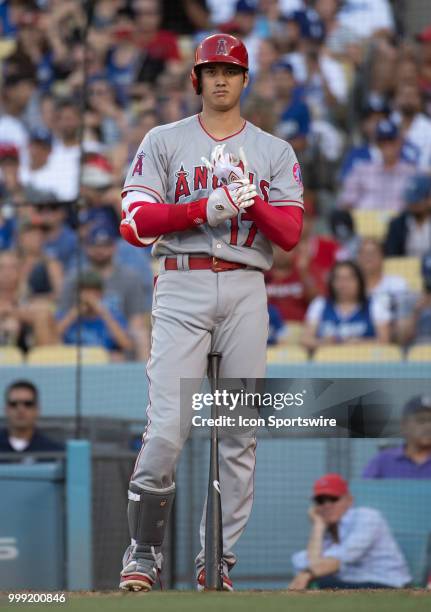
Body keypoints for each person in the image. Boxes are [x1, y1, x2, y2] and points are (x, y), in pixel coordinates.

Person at [118, 33, 304, 592]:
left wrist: (254, 202)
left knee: (240, 432)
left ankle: (216, 562)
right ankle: (144, 552)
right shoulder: (164, 139)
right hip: (183, 284)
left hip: (247, 287)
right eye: (211, 70)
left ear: (246, 80)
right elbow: (133, 223)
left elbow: (291, 234)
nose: (221, 79)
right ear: (196, 79)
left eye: (231, 70)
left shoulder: (274, 150)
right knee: (168, 428)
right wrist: (206, 206)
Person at [289, 473, 411, 590]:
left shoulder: (368, 517)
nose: (327, 505)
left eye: (333, 498)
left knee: (320, 583)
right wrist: (318, 525)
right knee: (319, 581)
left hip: (387, 584)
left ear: (349, 500)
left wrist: (309, 573)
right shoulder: (328, 527)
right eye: (320, 501)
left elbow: (341, 559)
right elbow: (308, 563)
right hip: (354, 583)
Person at [59, 224, 151, 360]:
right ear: (86, 248)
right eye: (95, 246)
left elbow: (135, 322)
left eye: (105, 245)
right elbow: (61, 315)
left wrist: (102, 311)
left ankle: (143, 378)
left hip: (114, 341)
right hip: (76, 338)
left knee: (139, 336)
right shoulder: (74, 277)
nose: (100, 251)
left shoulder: (130, 278)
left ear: (114, 247)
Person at [301, 260, 390, 352]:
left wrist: (359, 343)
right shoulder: (319, 304)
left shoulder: (374, 305)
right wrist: (325, 343)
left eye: (349, 279)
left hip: (364, 362)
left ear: (359, 281)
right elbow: (306, 340)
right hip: (328, 362)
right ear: (332, 282)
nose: (343, 284)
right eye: (338, 279)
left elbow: (384, 340)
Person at [338, 119, 416, 213]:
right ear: (377, 144)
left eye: (391, 141)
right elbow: (345, 203)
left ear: (400, 142)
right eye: (382, 142)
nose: (387, 145)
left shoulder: (412, 173)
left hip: (398, 224)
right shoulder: (362, 170)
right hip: (365, 223)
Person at [57, 270, 133, 360]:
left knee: (118, 357)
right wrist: (73, 314)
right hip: (72, 360)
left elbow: (126, 345)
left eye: (94, 292)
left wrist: (103, 313)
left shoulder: (113, 316)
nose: (89, 296)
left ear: (101, 294)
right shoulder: (65, 314)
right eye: (85, 291)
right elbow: (51, 340)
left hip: (101, 362)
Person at [363, 395, 431, 479]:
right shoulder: (383, 462)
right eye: (421, 420)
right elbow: (363, 491)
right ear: (404, 425)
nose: (429, 427)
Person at [0, 380, 64, 457]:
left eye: (28, 404)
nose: (20, 409)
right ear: (5, 409)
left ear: (37, 409)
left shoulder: (55, 452)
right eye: (13, 404)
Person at [384, 174, 431, 258]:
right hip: (404, 270)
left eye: (417, 201)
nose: (413, 205)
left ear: (428, 199)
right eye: (410, 200)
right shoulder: (397, 224)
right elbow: (392, 256)